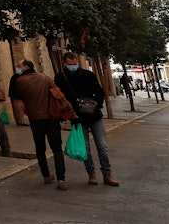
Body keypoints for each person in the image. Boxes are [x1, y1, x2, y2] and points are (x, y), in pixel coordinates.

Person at [57, 53, 119, 187]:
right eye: (70, 64)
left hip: (94, 115)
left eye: (75, 64)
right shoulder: (60, 78)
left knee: (102, 146)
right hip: (77, 118)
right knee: (85, 147)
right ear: (64, 63)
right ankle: (91, 174)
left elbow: (99, 92)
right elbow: (60, 98)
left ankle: (107, 174)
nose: (73, 66)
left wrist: (96, 105)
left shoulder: (87, 74)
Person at [10, 59, 67, 190]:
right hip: (51, 118)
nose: (17, 69)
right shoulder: (45, 78)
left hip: (35, 120)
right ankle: (61, 178)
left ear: (25, 68)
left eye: (19, 66)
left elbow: (17, 98)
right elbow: (58, 94)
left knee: (40, 149)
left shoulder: (19, 81)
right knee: (57, 149)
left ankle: (46, 175)